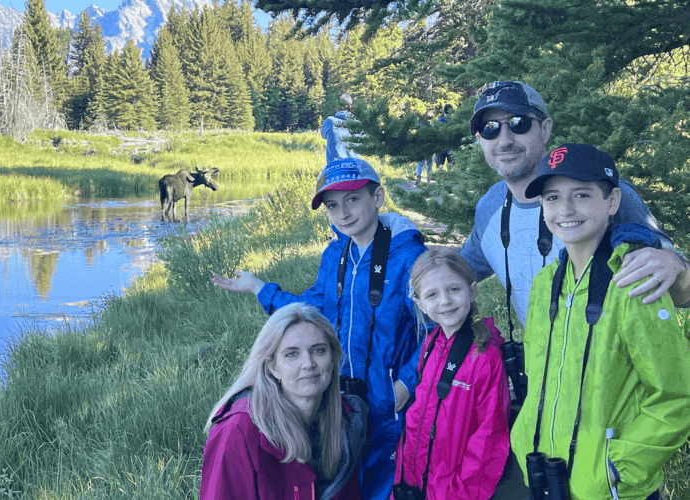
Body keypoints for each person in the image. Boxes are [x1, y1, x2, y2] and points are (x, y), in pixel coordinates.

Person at [212, 157, 428, 499]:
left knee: (386, 487)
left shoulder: (410, 258)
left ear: (378, 197)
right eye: (332, 205)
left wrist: (406, 382)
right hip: (339, 400)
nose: (342, 213)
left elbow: (434, 331)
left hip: (391, 407)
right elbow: (310, 310)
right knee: (344, 485)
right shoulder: (335, 256)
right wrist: (259, 288)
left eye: (353, 199)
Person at [509, 143, 690, 499]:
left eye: (582, 195)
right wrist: (523, 434)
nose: (566, 210)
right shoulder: (545, 284)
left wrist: (620, 470)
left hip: (610, 488)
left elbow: (676, 394)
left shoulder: (633, 280)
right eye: (552, 198)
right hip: (545, 476)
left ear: (612, 201)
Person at [461, 81, 690, 330]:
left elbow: (679, 286)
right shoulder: (490, 206)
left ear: (545, 129)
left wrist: (675, 267)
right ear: (480, 140)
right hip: (545, 363)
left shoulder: (601, 191)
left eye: (518, 123)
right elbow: (459, 270)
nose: (504, 140)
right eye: (490, 129)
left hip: (619, 363)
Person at [200, 303, 368, 500]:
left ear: (333, 359)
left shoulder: (348, 420)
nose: (308, 363)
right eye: (292, 354)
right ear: (273, 367)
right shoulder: (238, 430)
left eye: (318, 350)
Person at [391, 247, 510, 499]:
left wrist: (456, 494)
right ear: (420, 304)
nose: (445, 301)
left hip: (453, 492)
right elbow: (416, 421)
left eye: (453, 289)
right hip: (416, 485)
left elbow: (488, 440)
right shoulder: (430, 346)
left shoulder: (485, 358)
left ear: (472, 291)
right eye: (432, 294)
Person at [321, 94, 361, 162]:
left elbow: (323, 135)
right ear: (351, 107)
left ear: (337, 107)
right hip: (355, 166)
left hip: (335, 166)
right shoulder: (358, 124)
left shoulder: (329, 121)